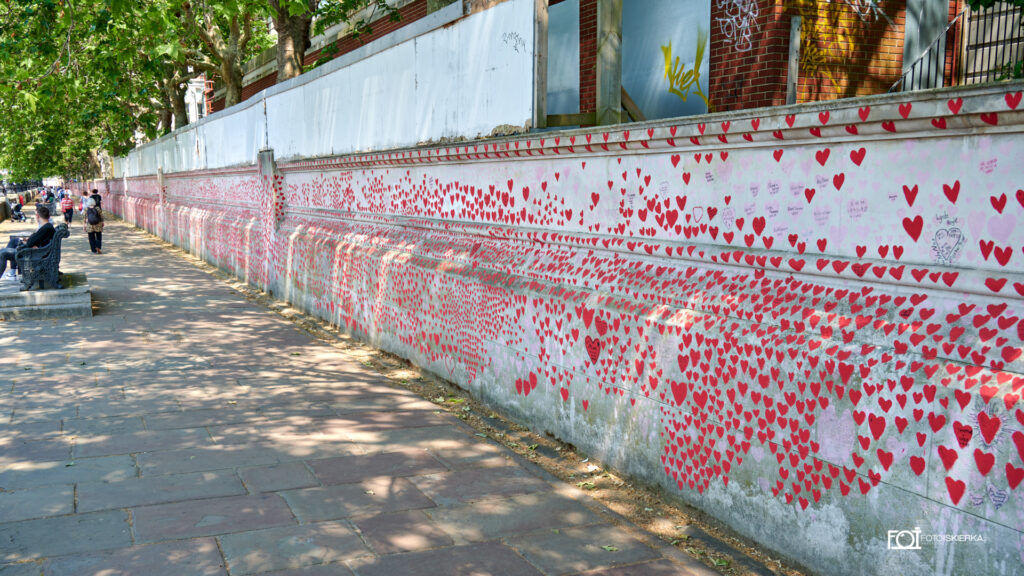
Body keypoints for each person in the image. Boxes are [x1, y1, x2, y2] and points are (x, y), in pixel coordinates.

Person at [1, 204, 55, 281]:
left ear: (37, 216)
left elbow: (30, 244)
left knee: (3, 253)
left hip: (32, 254)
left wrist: (26, 243)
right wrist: (28, 241)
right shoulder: (48, 227)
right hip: (38, 252)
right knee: (9, 246)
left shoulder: (45, 228)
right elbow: (35, 241)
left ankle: (12, 273)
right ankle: (12, 273)